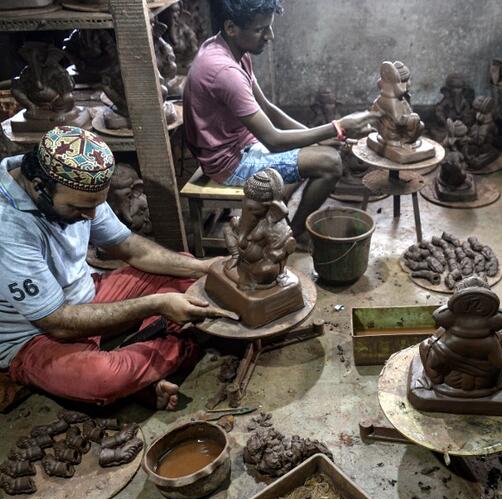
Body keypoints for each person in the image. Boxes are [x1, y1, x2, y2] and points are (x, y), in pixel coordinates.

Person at [0, 126, 234, 410]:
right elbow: (57, 323)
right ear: (39, 186)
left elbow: (128, 247)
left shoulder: (72, 179)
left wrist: (201, 266)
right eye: (79, 208)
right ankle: (167, 353)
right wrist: (155, 305)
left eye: (96, 205)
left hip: (89, 293)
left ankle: (141, 369)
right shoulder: (8, 228)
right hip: (36, 334)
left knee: (187, 274)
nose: (91, 216)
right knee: (102, 378)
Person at [182, 0, 378, 247]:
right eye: (260, 29)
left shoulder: (227, 49)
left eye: (269, 27)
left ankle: (272, 221)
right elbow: (273, 139)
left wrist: (320, 136)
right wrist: (338, 127)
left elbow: (268, 109)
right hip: (229, 164)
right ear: (231, 27)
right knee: (330, 163)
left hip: (243, 145)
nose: (270, 36)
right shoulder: (224, 71)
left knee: (318, 151)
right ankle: (291, 236)